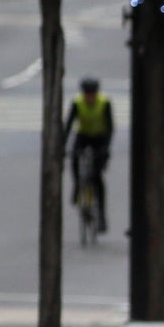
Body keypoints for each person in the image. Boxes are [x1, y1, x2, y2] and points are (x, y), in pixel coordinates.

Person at [63, 76, 114, 232]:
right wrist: (62, 145)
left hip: (100, 138)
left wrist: (105, 148)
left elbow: (110, 127)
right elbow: (69, 125)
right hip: (83, 136)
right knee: (75, 160)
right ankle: (78, 186)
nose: (89, 97)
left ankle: (102, 216)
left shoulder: (104, 103)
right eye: (87, 93)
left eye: (92, 93)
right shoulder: (77, 103)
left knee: (97, 177)